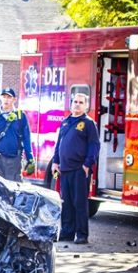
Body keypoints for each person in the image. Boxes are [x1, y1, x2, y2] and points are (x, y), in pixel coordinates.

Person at [51, 92, 100, 244]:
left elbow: (94, 145)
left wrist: (87, 164)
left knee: (80, 204)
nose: (77, 104)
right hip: (64, 169)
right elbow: (59, 144)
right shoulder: (65, 122)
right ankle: (67, 232)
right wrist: (55, 162)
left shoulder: (89, 123)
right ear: (71, 104)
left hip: (79, 169)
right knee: (66, 203)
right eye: (75, 102)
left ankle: (82, 235)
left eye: (80, 102)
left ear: (86, 106)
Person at [0, 87, 35, 182]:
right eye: (4, 97)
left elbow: (26, 138)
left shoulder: (20, 116)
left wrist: (30, 158)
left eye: (9, 97)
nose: (6, 99)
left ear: (14, 99)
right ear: (0, 98)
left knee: (14, 189)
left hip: (14, 160)